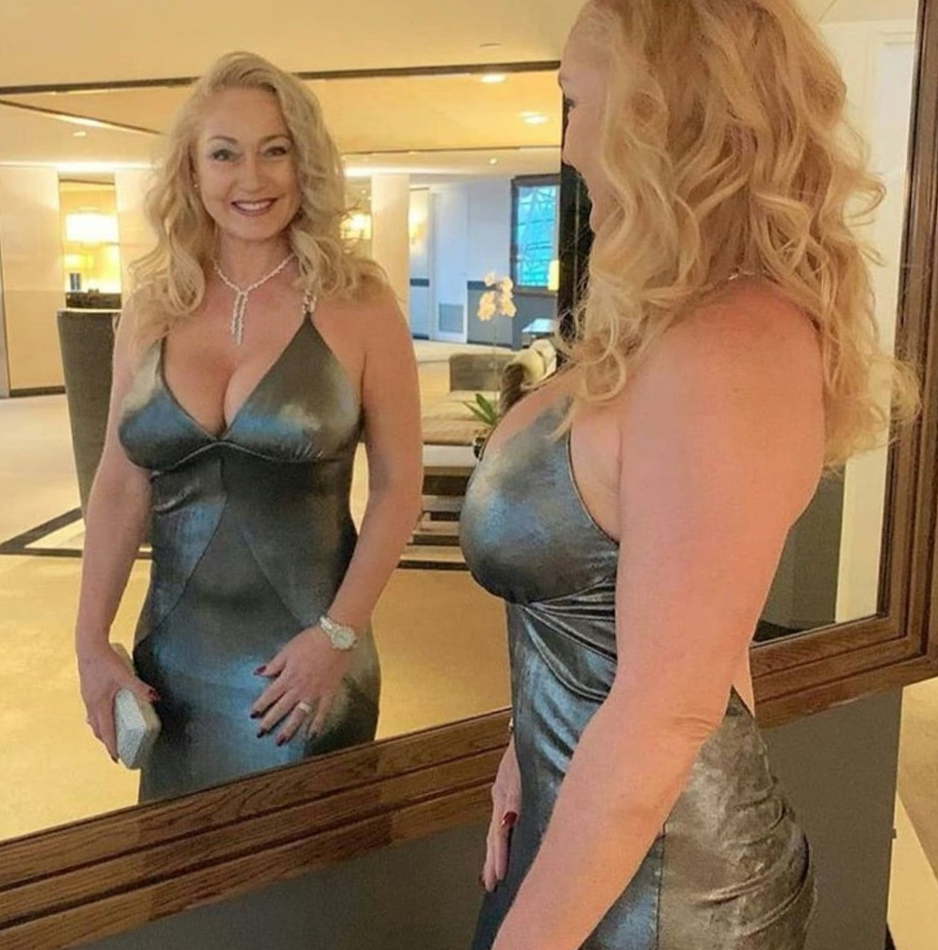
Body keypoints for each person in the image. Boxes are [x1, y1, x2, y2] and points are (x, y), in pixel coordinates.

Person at [460, 1, 921, 947]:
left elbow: (669, 711)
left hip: (670, 891)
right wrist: (526, 741)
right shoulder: (673, 320)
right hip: (594, 831)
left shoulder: (732, 345)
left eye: (577, 103)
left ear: (655, 112)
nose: (570, 144)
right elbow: (667, 621)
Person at [75, 51, 422, 802]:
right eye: (224, 154)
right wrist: (89, 639)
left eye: (275, 150)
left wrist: (339, 633)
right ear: (191, 169)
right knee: (180, 861)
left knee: (307, 862)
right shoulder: (152, 306)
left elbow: (400, 488)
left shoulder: (360, 302)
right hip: (174, 664)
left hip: (309, 664)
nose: (252, 179)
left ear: (305, 163)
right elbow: (120, 482)